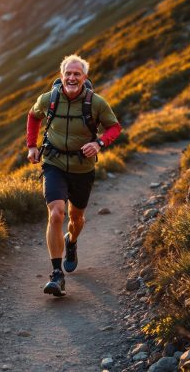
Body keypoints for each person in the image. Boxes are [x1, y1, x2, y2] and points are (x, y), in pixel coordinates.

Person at [26, 55, 122, 296]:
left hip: (82, 167)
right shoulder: (49, 99)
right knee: (56, 213)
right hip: (53, 163)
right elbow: (33, 115)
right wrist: (31, 146)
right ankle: (57, 275)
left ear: (84, 78)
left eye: (77, 74)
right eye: (68, 73)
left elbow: (115, 127)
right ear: (61, 76)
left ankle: (71, 241)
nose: (71, 78)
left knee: (76, 218)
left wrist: (99, 143)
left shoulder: (96, 103)